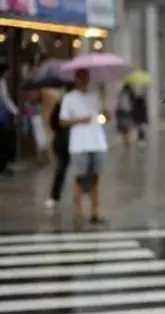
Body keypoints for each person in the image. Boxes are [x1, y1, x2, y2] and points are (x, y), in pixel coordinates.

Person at [59, 69, 109, 224]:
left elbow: (106, 116)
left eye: (86, 77)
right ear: (76, 80)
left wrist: (104, 101)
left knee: (96, 177)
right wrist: (80, 120)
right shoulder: (69, 98)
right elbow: (63, 121)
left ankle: (95, 211)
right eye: (81, 78)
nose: (84, 81)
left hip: (97, 141)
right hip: (79, 144)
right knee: (80, 178)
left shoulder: (95, 96)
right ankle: (78, 211)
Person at [45, 83, 74, 209]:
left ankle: (55, 196)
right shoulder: (62, 103)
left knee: (62, 169)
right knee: (62, 169)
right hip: (65, 141)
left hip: (68, 140)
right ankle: (55, 196)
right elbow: (54, 122)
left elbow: (52, 122)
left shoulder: (61, 102)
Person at [0, 62, 19, 176]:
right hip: (1, 117)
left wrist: (14, 111)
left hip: (2, 115)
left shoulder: (2, 81)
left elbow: (6, 99)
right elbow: (5, 99)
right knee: (4, 140)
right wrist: (15, 111)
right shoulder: (1, 82)